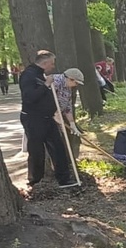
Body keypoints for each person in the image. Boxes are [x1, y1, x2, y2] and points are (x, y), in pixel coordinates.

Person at [19, 50, 76, 189]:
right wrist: (45, 85)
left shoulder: (41, 74)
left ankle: (63, 178)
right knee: (37, 151)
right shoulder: (28, 75)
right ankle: (35, 181)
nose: (53, 66)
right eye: (52, 63)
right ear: (45, 63)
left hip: (47, 118)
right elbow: (30, 97)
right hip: (33, 119)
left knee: (58, 147)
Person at [50, 68, 86, 159]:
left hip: (59, 116)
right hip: (48, 117)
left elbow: (68, 107)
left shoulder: (68, 87)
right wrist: (54, 113)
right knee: (55, 142)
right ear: (70, 79)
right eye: (76, 83)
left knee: (67, 139)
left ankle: (69, 161)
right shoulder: (55, 82)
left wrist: (72, 123)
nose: (76, 85)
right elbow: (46, 100)